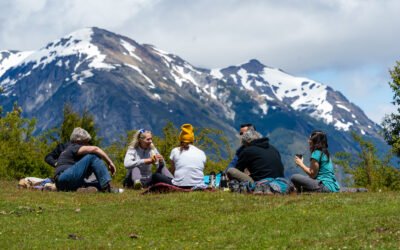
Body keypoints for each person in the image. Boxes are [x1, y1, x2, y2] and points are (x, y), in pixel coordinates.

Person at [54, 127, 120, 192]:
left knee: (97, 185)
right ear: (78, 141)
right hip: (64, 177)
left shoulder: (68, 149)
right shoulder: (74, 147)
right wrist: (110, 162)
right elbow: (95, 149)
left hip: (60, 183)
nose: (87, 144)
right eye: (85, 142)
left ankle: (84, 189)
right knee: (92, 156)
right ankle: (107, 187)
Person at [152, 124, 207, 189]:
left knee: (156, 176)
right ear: (192, 140)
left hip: (179, 185)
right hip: (198, 184)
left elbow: (173, 171)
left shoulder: (175, 151)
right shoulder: (201, 152)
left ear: (180, 139)